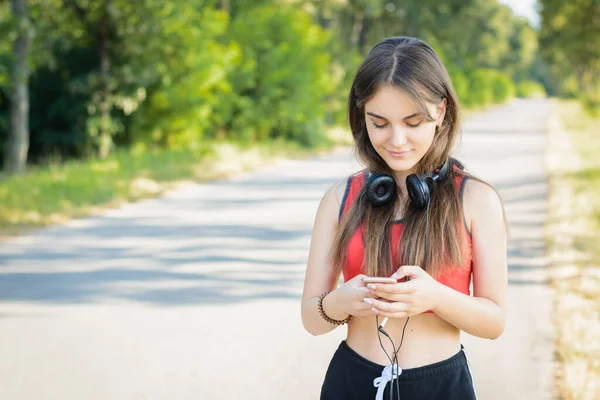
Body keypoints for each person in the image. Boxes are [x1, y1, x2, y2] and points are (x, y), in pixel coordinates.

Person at [300, 36, 508, 400]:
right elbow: (312, 319)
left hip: (442, 386)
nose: (397, 140)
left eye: (412, 122)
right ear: (361, 116)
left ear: (441, 112)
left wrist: (434, 297)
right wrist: (342, 301)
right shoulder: (339, 199)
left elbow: (494, 322)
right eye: (379, 123)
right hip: (351, 381)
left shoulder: (475, 199)